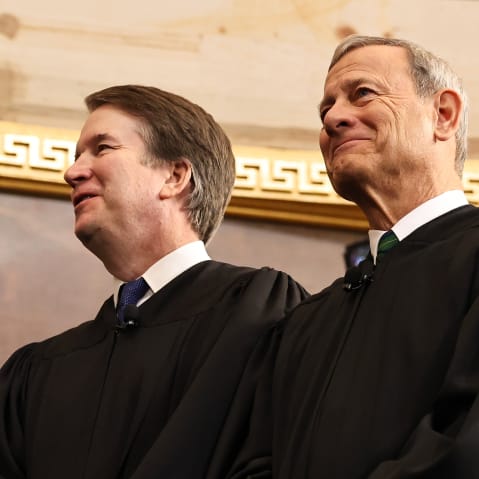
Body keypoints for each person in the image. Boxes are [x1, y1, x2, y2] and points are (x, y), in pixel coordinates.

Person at [0, 85, 308, 479]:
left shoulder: (262, 313)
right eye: (77, 156)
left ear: (175, 176)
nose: (72, 172)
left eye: (103, 148)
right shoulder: (38, 373)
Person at [257, 35, 479, 478]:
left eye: (363, 93)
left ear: (443, 114)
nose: (335, 118)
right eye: (326, 110)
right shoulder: (306, 320)